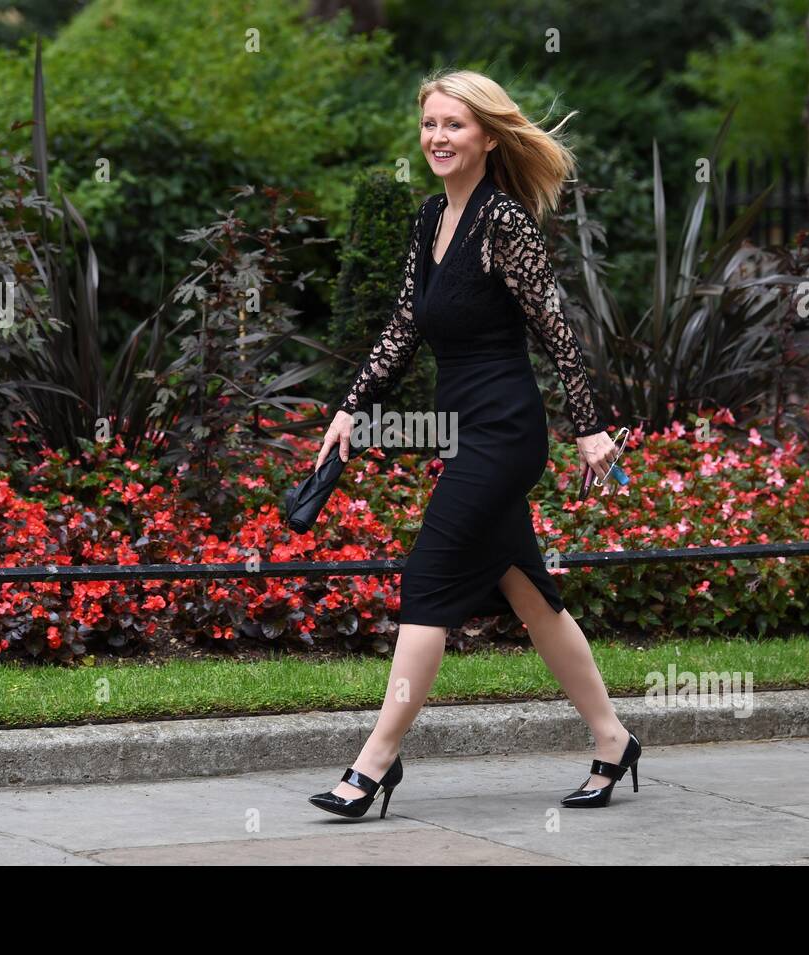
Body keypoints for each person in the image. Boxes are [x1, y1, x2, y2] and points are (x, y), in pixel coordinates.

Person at [308, 69, 640, 819]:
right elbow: (403, 326)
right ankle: (613, 739)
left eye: (454, 124)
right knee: (530, 593)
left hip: (505, 432)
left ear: (488, 135)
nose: (438, 137)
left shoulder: (505, 222)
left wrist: (588, 428)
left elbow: (557, 329)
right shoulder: (433, 219)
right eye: (430, 124)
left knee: (426, 580)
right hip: (464, 436)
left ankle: (373, 764)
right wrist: (351, 407)